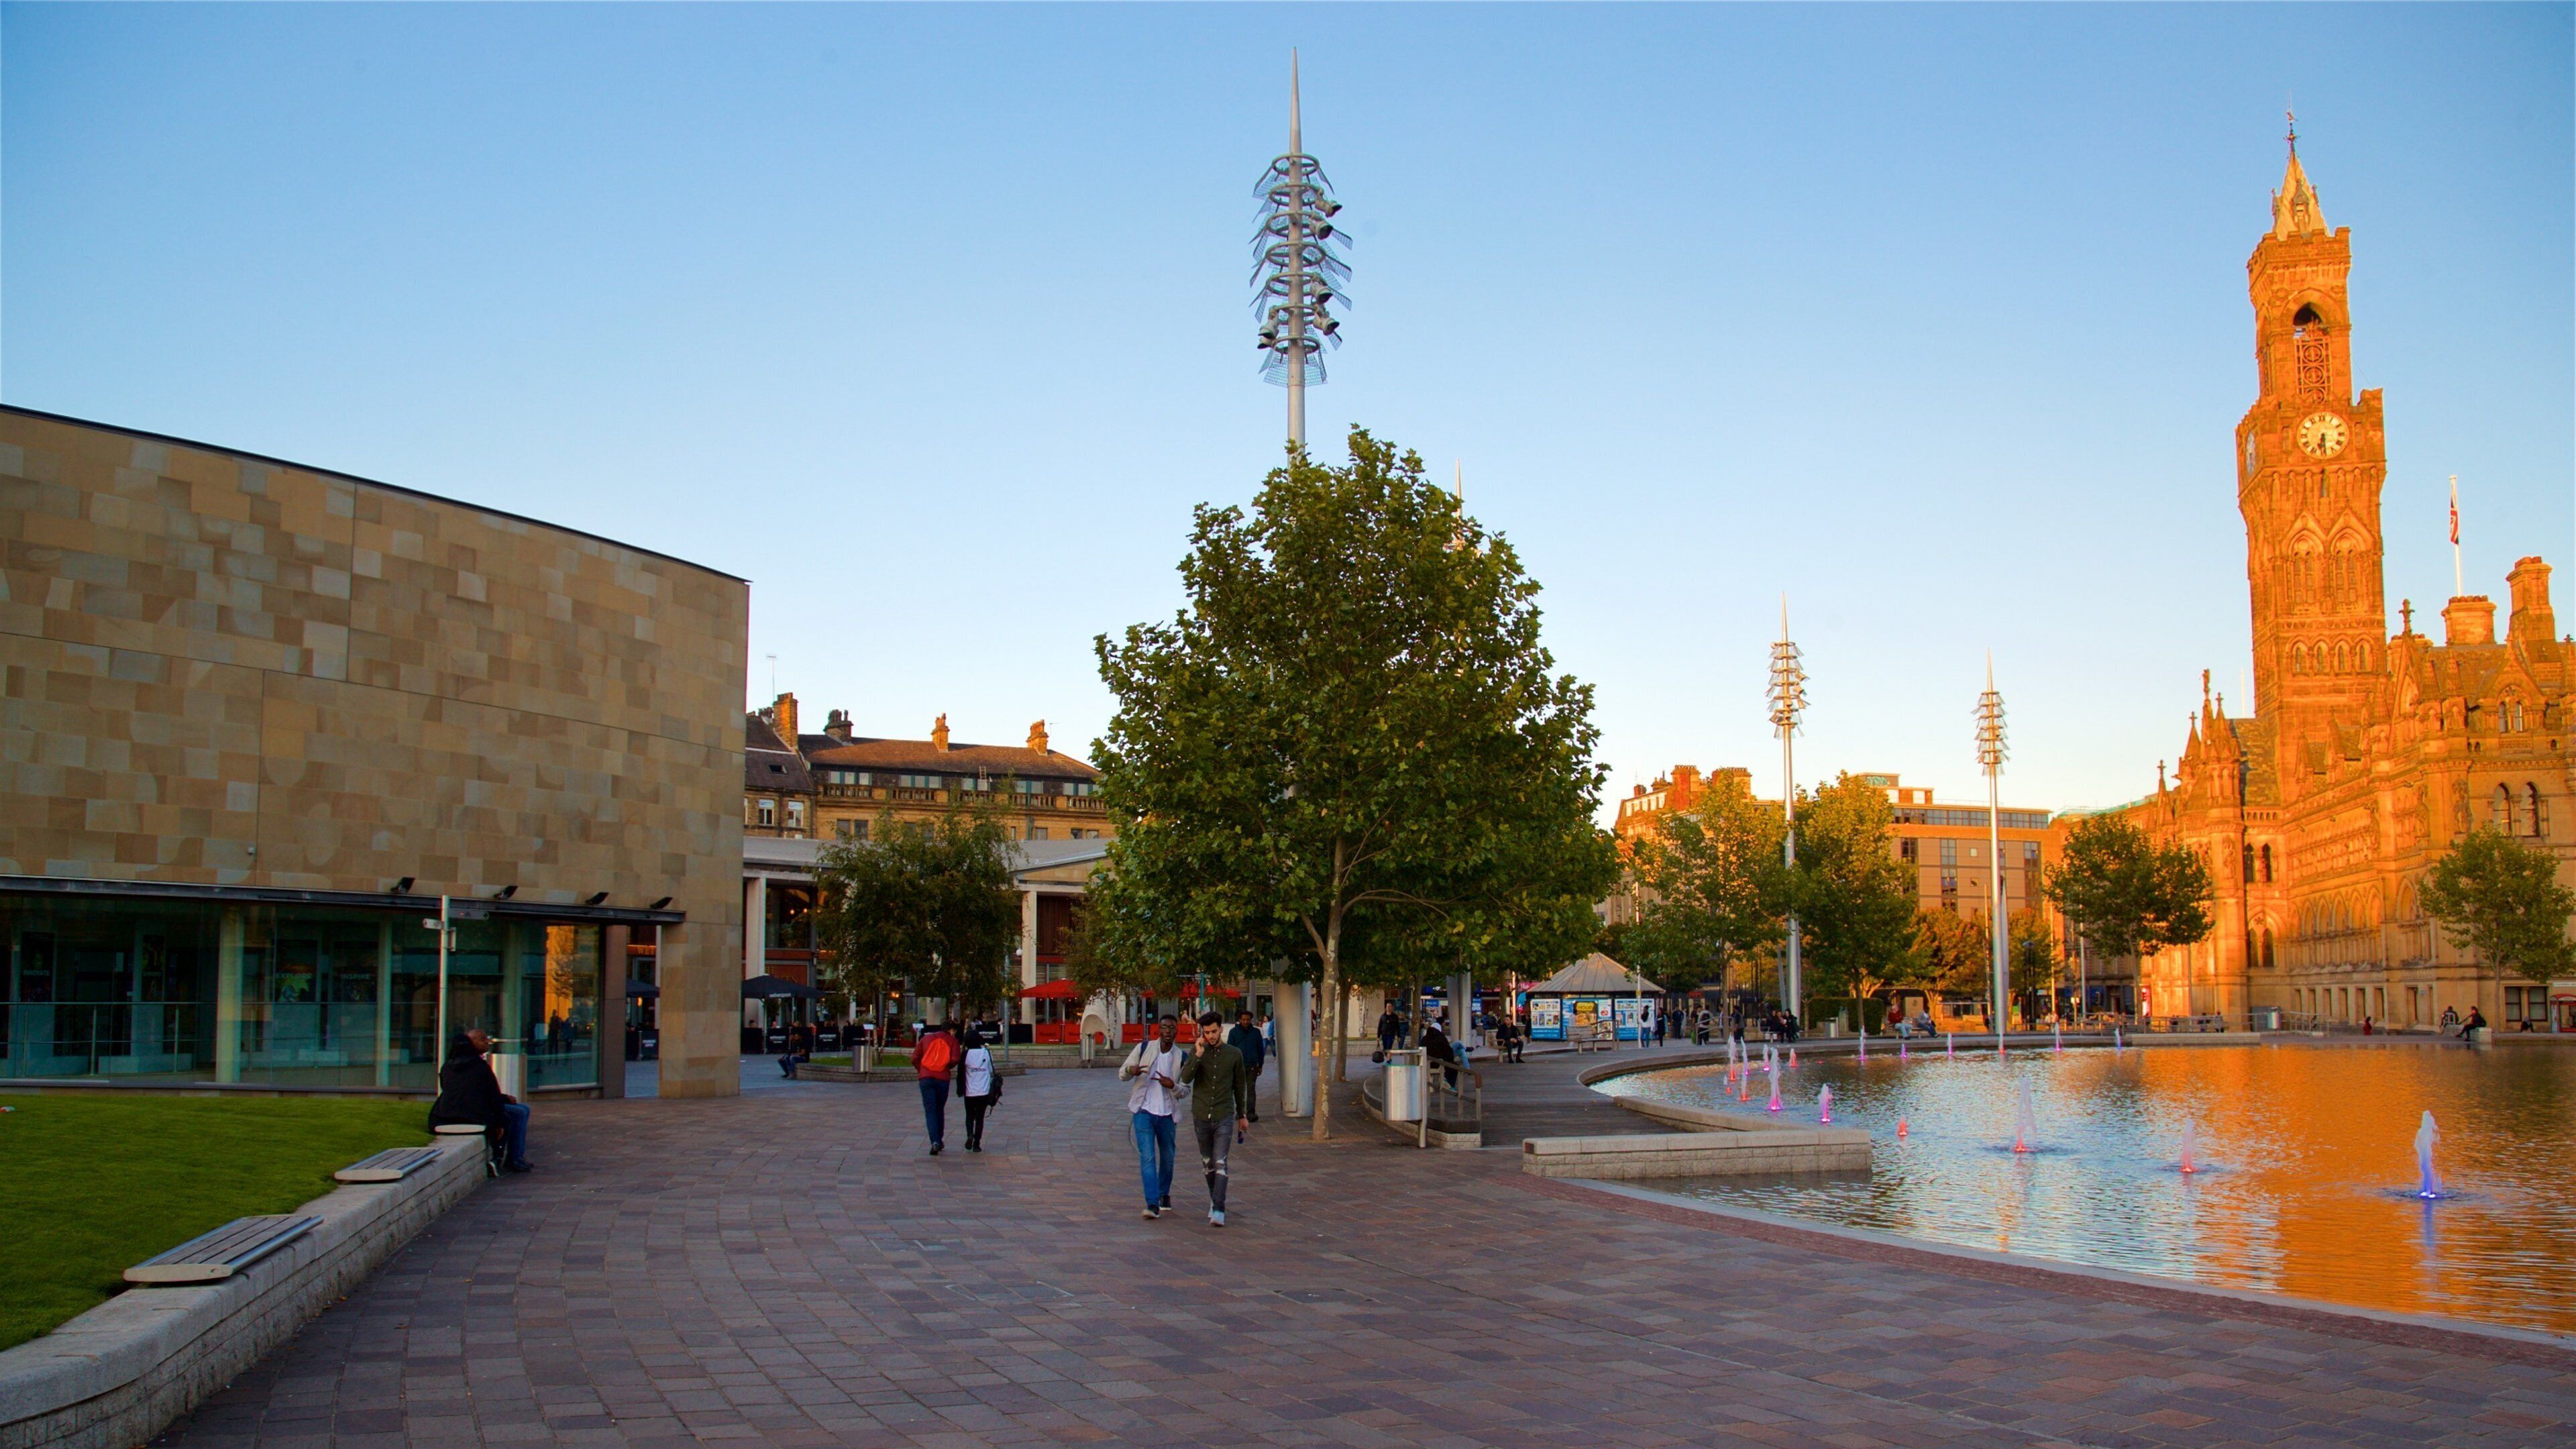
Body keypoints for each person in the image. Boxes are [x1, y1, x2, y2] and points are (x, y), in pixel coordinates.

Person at [1177, 1011, 1252, 1226]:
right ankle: (1214, 1200)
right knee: (1207, 1163)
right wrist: (1198, 1055)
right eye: (1206, 1032)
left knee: (1220, 1162)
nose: (1210, 1036)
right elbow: (1185, 1078)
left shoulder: (1234, 1054)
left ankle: (1219, 1208)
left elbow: (1240, 1086)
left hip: (1224, 1114)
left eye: (1214, 1031)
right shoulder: (1197, 1051)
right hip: (1201, 1115)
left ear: (1221, 1029)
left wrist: (1243, 1115)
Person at [429, 1028, 532, 1173]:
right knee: (517, 1113)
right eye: (482, 1040)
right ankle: (510, 1158)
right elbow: (490, 1095)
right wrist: (500, 1120)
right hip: (475, 1111)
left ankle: (515, 1157)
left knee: (522, 1110)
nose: (487, 1043)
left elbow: (459, 1089)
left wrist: (503, 1099)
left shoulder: (447, 1067)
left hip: (450, 1112)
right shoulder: (480, 1067)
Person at [1120, 1015, 1185, 1218]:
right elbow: (1122, 1073)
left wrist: (1172, 1086)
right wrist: (1132, 1070)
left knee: (1168, 1159)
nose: (1167, 1031)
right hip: (1144, 1112)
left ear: (1176, 1031)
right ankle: (1152, 1203)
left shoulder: (1182, 1057)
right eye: (1164, 1027)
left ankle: (1164, 1193)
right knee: (1147, 1158)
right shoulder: (1143, 1048)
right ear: (1158, 1030)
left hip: (1167, 1115)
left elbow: (1186, 1090)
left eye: (1171, 1028)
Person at [914, 1021, 959, 1155]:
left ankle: (935, 1141)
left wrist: (922, 1070)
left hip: (926, 1078)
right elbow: (956, 1058)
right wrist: (946, 1067)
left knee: (930, 1111)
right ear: (951, 1030)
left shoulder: (926, 1038)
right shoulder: (952, 1041)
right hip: (942, 1078)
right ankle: (939, 1139)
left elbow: (914, 1057)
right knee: (940, 1109)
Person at [958, 1027, 1000, 1151]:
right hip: (984, 1091)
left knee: (969, 1116)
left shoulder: (965, 1055)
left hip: (970, 1091)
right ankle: (977, 1144)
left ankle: (970, 1135)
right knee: (980, 1118)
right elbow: (991, 1070)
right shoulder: (986, 1053)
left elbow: (961, 1073)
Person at [1227, 1010, 1268, 1124]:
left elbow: (1261, 1049)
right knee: (1238, 1090)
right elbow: (1230, 1049)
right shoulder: (1233, 1032)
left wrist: (1260, 1065)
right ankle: (1240, 1112)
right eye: (1243, 1020)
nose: (1246, 1022)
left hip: (1252, 1066)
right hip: (1237, 1066)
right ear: (1240, 1020)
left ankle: (1251, 1113)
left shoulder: (1256, 1032)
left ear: (1251, 1020)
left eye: (1248, 1020)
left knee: (1251, 1090)